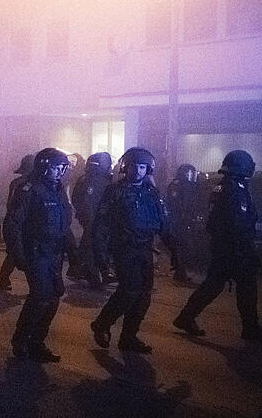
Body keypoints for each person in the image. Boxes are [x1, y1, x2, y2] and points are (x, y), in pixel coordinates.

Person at [91, 147, 181, 353]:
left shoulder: (151, 193)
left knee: (143, 295)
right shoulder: (115, 191)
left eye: (142, 167)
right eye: (134, 166)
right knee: (129, 290)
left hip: (145, 249)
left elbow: (162, 223)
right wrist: (101, 255)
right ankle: (102, 324)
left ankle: (129, 336)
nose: (138, 171)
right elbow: (101, 225)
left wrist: (174, 251)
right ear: (126, 167)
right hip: (124, 248)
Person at [173, 150, 259, 341]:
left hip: (224, 247)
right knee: (246, 288)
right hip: (234, 248)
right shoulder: (233, 188)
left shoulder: (226, 186)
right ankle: (250, 329)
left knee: (212, 286)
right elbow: (237, 221)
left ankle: (185, 317)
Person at [5, 148, 73, 363]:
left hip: (54, 252)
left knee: (54, 297)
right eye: (56, 167)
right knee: (41, 296)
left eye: (63, 168)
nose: (60, 172)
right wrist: (19, 255)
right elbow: (13, 224)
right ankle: (21, 340)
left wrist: (74, 252)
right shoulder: (29, 189)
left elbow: (64, 223)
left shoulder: (59, 190)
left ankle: (37, 341)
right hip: (36, 251)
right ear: (44, 166)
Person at [72, 152, 114, 290]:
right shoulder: (95, 180)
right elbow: (89, 202)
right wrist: (91, 221)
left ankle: (78, 270)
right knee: (92, 247)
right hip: (95, 220)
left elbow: (76, 198)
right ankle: (93, 276)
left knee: (88, 246)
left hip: (93, 219)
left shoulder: (86, 178)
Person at [0, 153, 35, 291]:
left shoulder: (19, 183)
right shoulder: (22, 184)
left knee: (16, 252)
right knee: (17, 252)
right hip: (18, 223)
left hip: (18, 222)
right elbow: (13, 205)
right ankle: (4, 278)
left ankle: (3, 278)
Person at [165, 164, 199, 283]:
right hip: (177, 221)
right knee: (180, 246)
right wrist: (183, 214)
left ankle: (181, 271)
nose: (191, 177)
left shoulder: (189, 186)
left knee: (185, 247)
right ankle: (180, 272)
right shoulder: (176, 185)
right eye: (189, 174)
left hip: (185, 220)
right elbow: (175, 203)